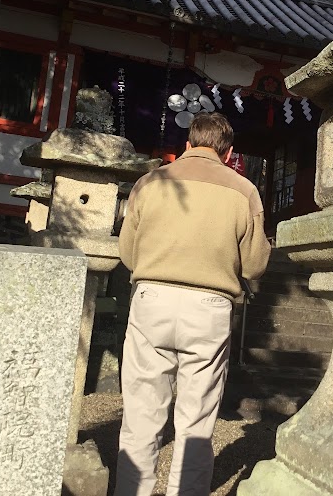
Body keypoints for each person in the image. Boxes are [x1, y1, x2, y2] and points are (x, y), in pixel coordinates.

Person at [114, 112, 271, 496]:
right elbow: (254, 264)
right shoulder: (245, 191)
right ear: (228, 151)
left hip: (152, 297)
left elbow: (126, 250)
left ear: (187, 144)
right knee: (196, 419)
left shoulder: (149, 183)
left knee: (141, 413)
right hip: (209, 305)